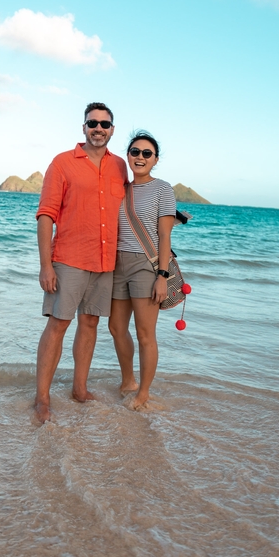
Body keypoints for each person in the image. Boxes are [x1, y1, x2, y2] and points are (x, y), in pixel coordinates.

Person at [34, 102, 128, 423]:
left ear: (112, 130)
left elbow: (128, 210)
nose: (98, 129)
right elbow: (46, 215)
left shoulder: (119, 167)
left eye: (104, 124)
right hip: (69, 259)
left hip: (105, 262)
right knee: (58, 324)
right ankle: (42, 399)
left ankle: (79, 389)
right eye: (92, 123)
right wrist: (46, 265)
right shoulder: (62, 163)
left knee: (90, 323)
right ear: (84, 127)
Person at [108, 132, 176, 410]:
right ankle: (128, 381)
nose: (140, 157)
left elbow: (164, 235)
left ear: (155, 159)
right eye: (135, 152)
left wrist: (162, 276)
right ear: (128, 155)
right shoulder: (119, 187)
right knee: (115, 328)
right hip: (115, 264)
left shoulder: (163, 189)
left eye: (147, 153)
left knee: (145, 334)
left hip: (146, 266)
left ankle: (143, 393)